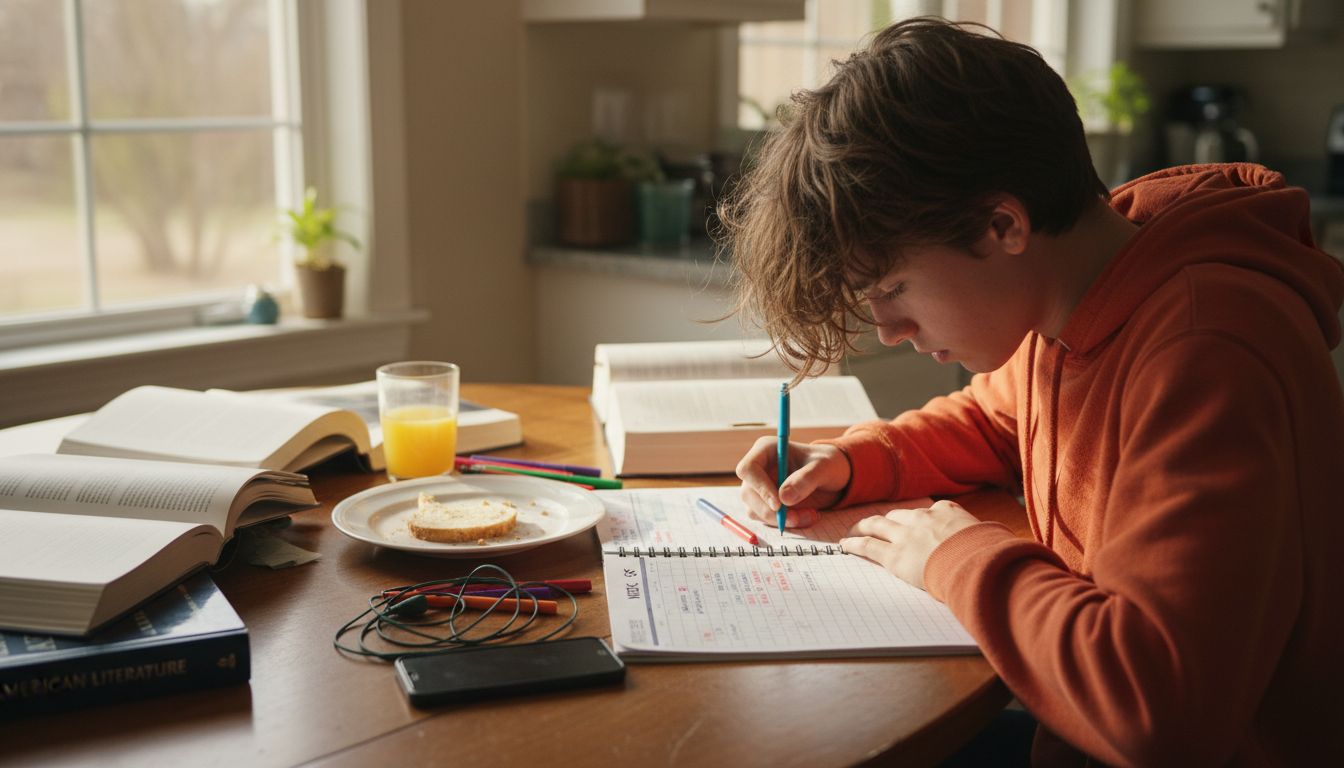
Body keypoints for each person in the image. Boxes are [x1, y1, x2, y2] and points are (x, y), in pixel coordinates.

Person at [722, 17, 1344, 767]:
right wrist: (855, 461)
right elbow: (994, 418)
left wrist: (956, 555)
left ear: (1000, 224)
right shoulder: (1077, 303)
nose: (887, 329)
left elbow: (1154, 707)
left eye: (891, 287)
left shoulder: (1203, 351)